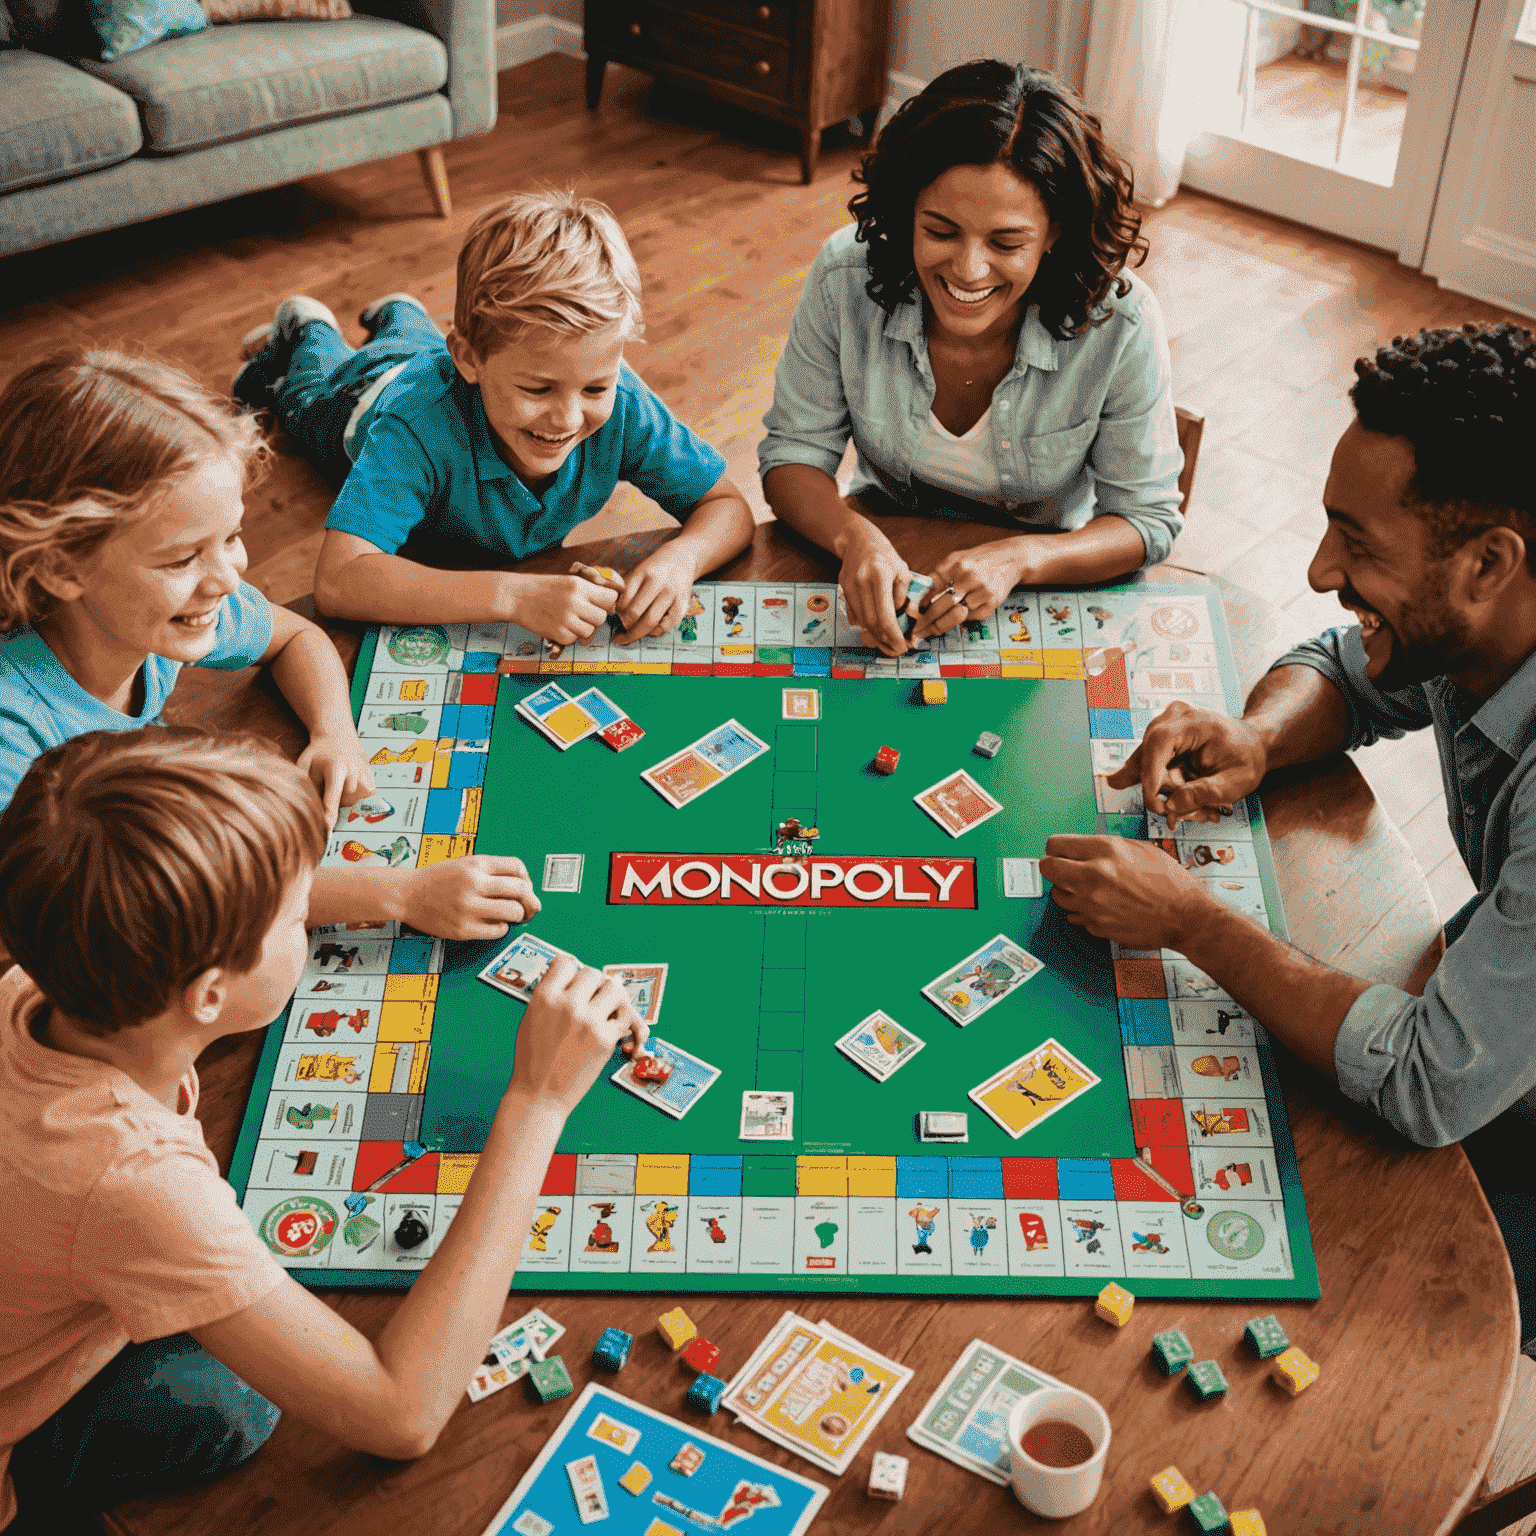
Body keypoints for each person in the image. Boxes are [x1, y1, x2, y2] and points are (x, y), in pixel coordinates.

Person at [0, 729, 645, 1527]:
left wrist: (398, 893)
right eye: (298, 914)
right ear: (208, 993)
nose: (309, 917)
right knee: (236, 1404)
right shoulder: (130, 1179)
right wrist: (538, 1101)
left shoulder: (55, 965)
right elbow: (400, 1413)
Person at [1040, 321, 1536, 1346]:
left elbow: (1426, 1081)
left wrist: (1192, 919)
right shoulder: (1478, 619)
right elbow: (1347, 669)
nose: (1320, 570)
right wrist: (1257, 736)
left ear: (1489, 563)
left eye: (1358, 545)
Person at [0, 352, 537, 943]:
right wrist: (399, 892)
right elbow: (121, 908)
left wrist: (335, 731)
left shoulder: (146, 613)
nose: (228, 577)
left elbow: (294, 636)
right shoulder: (14, 731)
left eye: (231, 535)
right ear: (58, 567)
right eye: (182, 557)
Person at [758, 61, 1183, 656]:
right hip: (881, 555)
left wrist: (1023, 557)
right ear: (908, 210)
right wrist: (855, 538)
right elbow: (793, 456)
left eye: (1006, 243)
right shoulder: (844, 278)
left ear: (1055, 232)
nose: (968, 270)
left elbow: (1146, 522)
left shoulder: (1121, 320)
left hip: (1041, 586)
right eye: (940, 230)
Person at [234, 190, 754, 646]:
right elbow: (340, 580)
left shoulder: (623, 404)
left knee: (412, 343)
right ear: (469, 360)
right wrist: (512, 594)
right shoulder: (412, 427)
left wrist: (680, 561)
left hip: (440, 360)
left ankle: (401, 314)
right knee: (305, 396)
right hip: (362, 400)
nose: (568, 418)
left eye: (596, 386)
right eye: (538, 388)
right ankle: (309, 327)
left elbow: (727, 506)